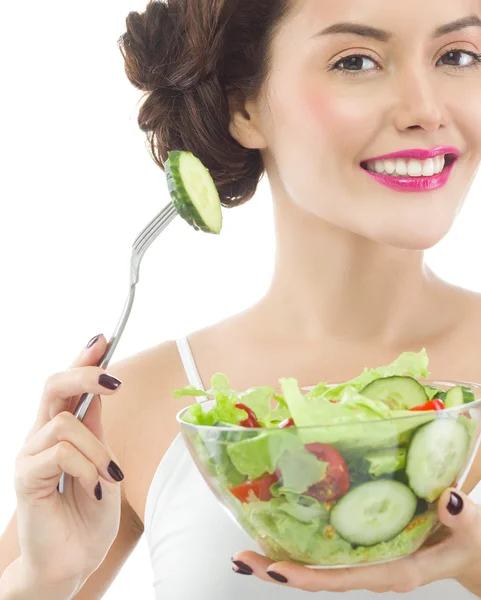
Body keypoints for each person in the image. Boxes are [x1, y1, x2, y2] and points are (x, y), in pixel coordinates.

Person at [2, 0, 481, 597]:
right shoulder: (129, 408)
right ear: (243, 106)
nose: (426, 110)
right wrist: (44, 579)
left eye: (457, 55)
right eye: (356, 61)